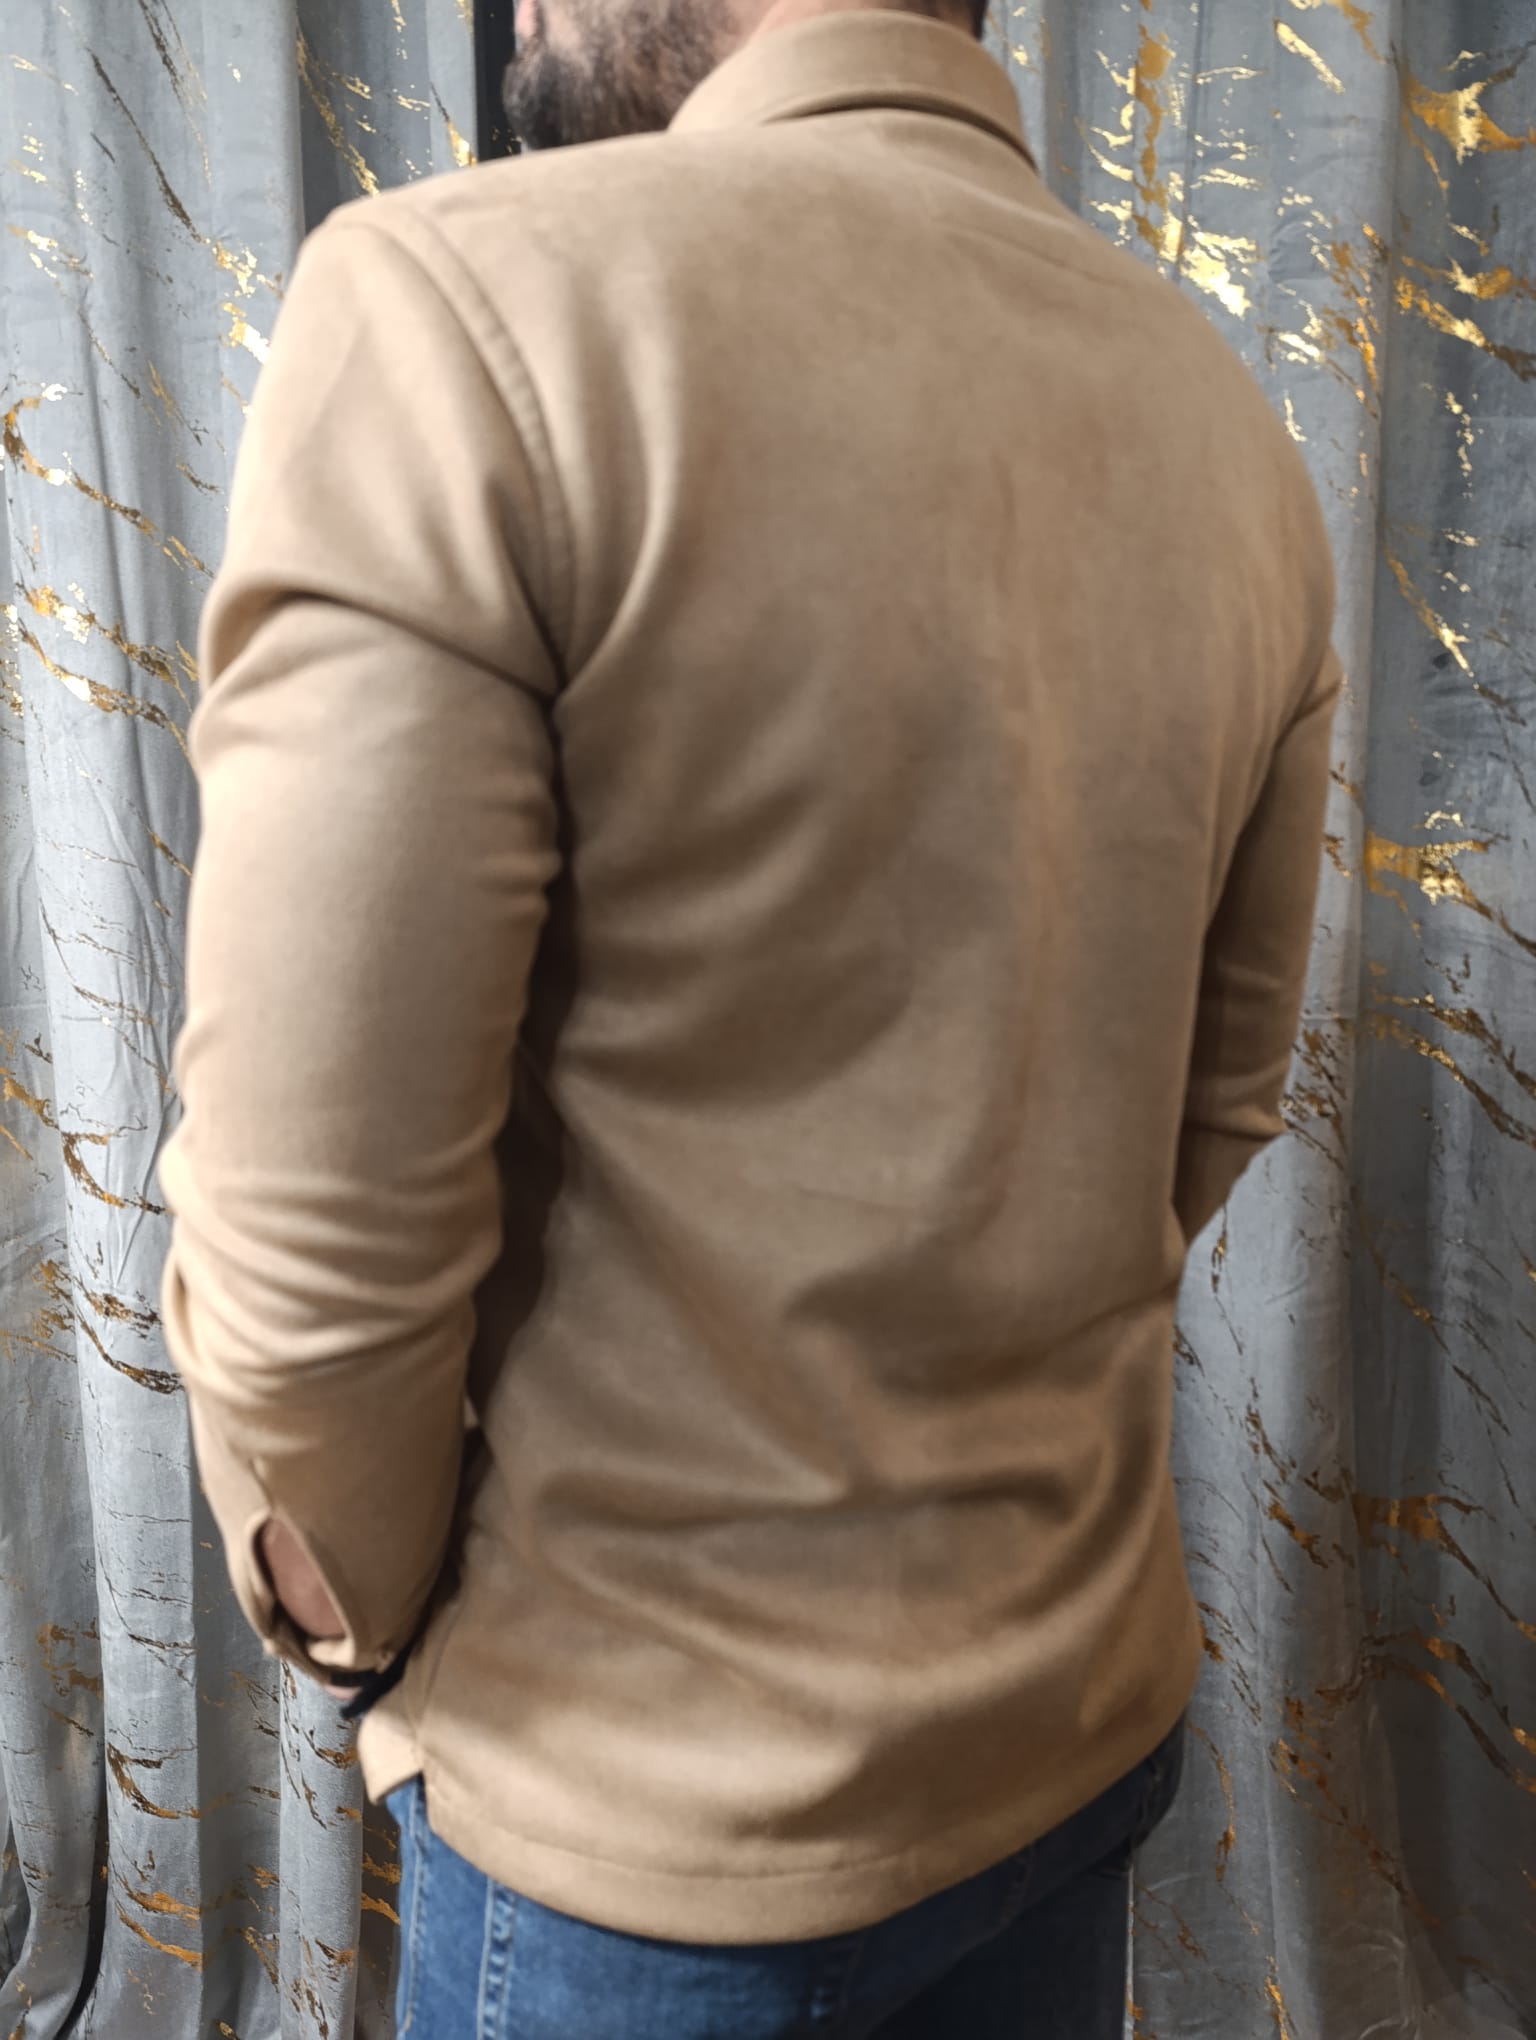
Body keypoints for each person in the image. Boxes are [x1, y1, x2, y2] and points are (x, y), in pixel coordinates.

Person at [160, 0, 1340, 2030]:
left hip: (645, 1817)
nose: (526, 13)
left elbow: (313, 1250)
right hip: (1067, 1731)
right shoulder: (1222, 414)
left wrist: (370, 1625)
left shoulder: (465, 314)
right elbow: (1210, 1111)